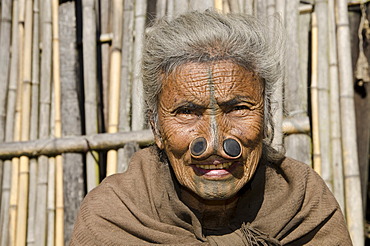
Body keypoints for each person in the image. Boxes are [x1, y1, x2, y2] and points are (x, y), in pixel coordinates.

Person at [70, 10, 352, 245]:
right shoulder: (115, 216)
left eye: (238, 108)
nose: (215, 144)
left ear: (267, 118)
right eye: (187, 112)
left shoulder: (303, 204)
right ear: (156, 128)